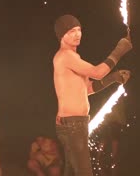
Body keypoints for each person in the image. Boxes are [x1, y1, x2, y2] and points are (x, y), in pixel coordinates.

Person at [52, 15, 132, 176]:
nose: (77, 34)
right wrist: (120, 50)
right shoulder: (65, 56)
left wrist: (112, 78)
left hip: (74, 123)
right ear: (62, 35)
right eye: (72, 31)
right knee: (83, 172)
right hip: (73, 124)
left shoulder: (74, 58)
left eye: (79, 30)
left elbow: (88, 89)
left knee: (73, 172)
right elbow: (97, 72)